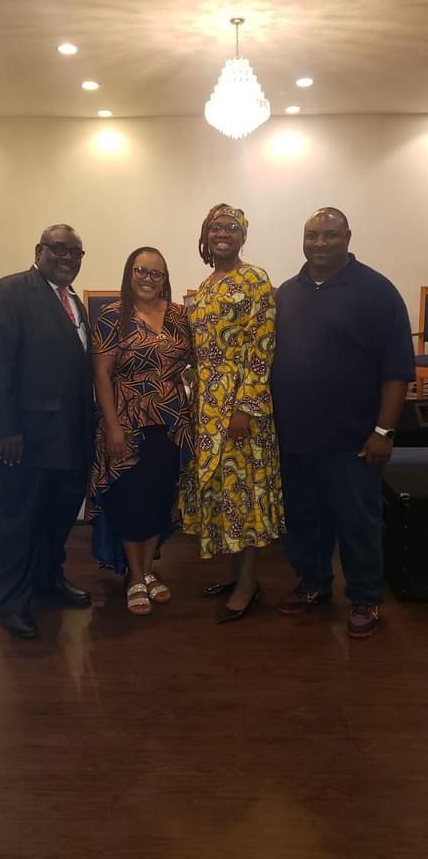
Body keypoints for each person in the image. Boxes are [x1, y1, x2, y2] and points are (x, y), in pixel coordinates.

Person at [272, 206, 415, 638]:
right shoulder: (286, 294)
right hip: (296, 438)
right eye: (312, 235)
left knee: (358, 522)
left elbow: (397, 370)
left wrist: (384, 431)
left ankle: (366, 597)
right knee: (304, 519)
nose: (319, 243)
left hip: (354, 441)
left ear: (348, 238)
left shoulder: (377, 291)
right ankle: (314, 583)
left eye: (330, 235)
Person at [0, 224, 95, 639]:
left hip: (68, 438)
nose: (68, 258)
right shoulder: (8, 293)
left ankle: (47, 580)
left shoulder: (73, 302)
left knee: (56, 518)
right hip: (22, 441)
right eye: (60, 249)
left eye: (76, 253)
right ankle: (11, 603)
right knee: (20, 522)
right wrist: (6, 428)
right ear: (39, 250)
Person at [181, 203, 284, 623]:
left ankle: (248, 584)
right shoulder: (206, 285)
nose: (222, 233)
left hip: (243, 407)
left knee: (245, 493)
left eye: (231, 227)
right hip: (206, 406)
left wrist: (244, 406)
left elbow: (263, 348)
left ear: (243, 236)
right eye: (215, 227)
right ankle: (233, 572)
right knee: (225, 493)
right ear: (205, 236)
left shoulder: (255, 279)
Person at [88, 247, 193, 615]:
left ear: (165, 279)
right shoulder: (112, 316)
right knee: (130, 500)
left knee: (159, 498)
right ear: (129, 273)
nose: (148, 279)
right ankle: (134, 576)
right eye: (141, 271)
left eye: (156, 273)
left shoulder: (180, 316)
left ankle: (148, 571)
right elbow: (101, 375)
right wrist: (112, 426)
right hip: (127, 423)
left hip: (172, 423)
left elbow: (194, 362)